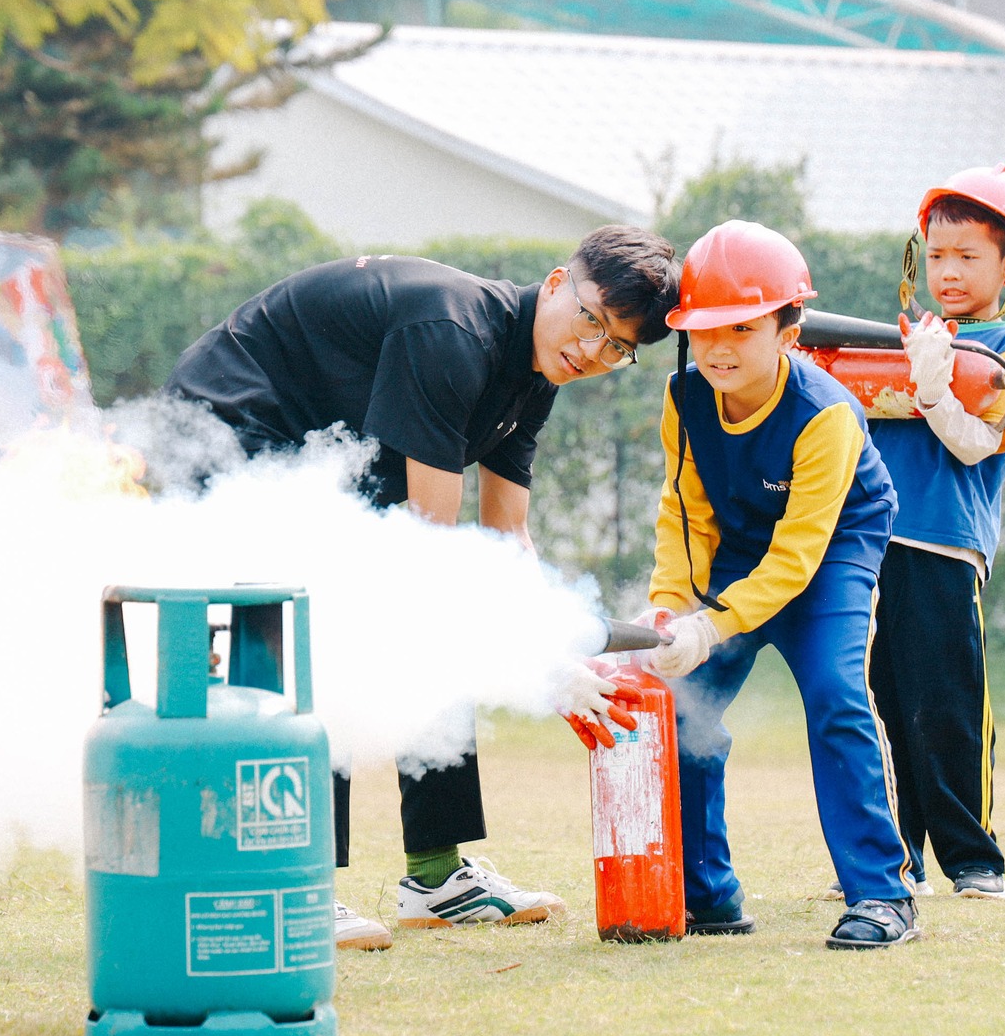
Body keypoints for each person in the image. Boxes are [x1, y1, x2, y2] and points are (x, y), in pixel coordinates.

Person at [166, 227, 681, 950]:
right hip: (227, 429)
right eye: (593, 320)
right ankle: (295, 884)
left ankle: (438, 880)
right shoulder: (454, 332)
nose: (593, 351)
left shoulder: (533, 376)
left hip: (325, 456)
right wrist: (539, 666)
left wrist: (546, 638)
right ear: (559, 282)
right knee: (335, 628)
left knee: (444, 612)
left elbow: (504, 545)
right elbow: (433, 558)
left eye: (618, 347)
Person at [625, 219, 919, 949]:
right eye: (704, 330)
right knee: (678, 699)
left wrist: (712, 624)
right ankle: (708, 894)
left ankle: (883, 896)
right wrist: (671, 608)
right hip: (736, 548)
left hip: (831, 550)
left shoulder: (827, 417)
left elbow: (794, 560)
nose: (719, 348)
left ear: (790, 329)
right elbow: (684, 511)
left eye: (743, 327)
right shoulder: (683, 398)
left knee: (835, 695)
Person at [862, 167, 1005, 902]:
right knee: (887, 699)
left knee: (950, 705)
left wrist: (932, 388)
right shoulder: (901, 339)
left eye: (969, 256)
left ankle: (975, 862)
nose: (950, 271)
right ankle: (895, 859)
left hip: (944, 547)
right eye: (938, 256)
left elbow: (977, 444)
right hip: (876, 547)